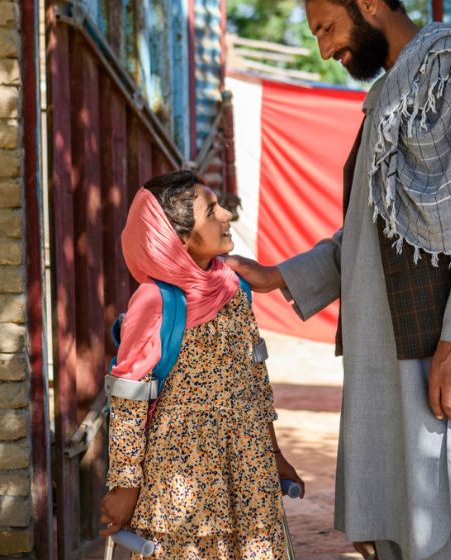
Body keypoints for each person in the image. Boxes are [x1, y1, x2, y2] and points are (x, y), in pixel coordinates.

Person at [225, 0, 451, 560]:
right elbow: (371, 230)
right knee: (412, 521)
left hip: (445, 350)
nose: (323, 49)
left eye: (327, 27)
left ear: (367, 3)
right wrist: (280, 277)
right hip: (395, 350)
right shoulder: (391, 94)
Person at [99, 171, 304, 559]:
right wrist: (125, 487)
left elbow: (255, 377)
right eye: (211, 211)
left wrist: (273, 454)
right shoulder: (154, 302)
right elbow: (129, 402)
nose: (226, 214)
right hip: (182, 483)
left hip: (248, 472)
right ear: (178, 238)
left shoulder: (234, 286)